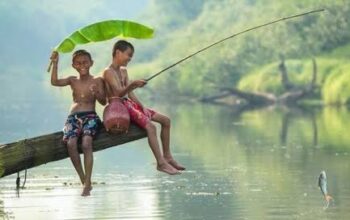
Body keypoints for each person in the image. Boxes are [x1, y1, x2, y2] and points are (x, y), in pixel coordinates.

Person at [103, 40, 185, 175]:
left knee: (166, 121)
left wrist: (142, 107)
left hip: (129, 104)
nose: (130, 58)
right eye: (128, 55)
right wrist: (133, 84)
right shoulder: (108, 72)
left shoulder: (123, 71)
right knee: (151, 127)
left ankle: (168, 157)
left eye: (131, 56)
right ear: (117, 52)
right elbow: (118, 93)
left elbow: (129, 94)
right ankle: (160, 163)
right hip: (119, 107)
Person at [50, 50, 106, 196]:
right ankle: (83, 179)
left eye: (85, 62)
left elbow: (103, 101)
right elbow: (55, 82)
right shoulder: (72, 80)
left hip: (90, 116)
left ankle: (88, 180)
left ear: (91, 63)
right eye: (78, 63)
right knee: (71, 144)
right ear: (74, 65)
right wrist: (55, 63)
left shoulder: (97, 80)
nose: (82, 65)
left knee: (87, 143)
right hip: (73, 118)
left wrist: (97, 93)